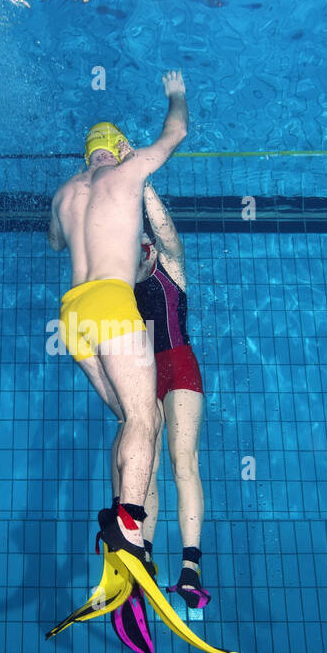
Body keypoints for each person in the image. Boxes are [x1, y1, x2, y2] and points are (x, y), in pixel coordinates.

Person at [44, 76, 243, 653]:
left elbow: (56, 242)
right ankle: (129, 534)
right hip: (109, 302)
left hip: (72, 316)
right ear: (122, 149)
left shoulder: (64, 192)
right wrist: (176, 95)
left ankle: (121, 531)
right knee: (144, 422)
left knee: (135, 424)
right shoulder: (128, 174)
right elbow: (177, 131)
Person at [131, 189, 211, 610]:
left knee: (183, 461)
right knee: (146, 468)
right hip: (142, 374)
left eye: (146, 243)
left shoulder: (172, 265)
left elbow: (168, 233)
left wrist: (142, 182)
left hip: (179, 366)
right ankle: (142, 556)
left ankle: (191, 567)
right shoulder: (122, 281)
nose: (141, 251)